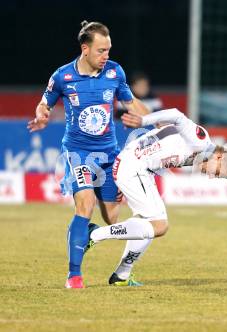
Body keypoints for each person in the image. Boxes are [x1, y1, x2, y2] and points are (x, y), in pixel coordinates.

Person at [27, 21, 149, 289]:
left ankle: (93, 234)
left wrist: (161, 121)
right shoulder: (62, 76)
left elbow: (131, 104)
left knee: (112, 218)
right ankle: (74, 275)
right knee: (85, 204)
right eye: (101, 50)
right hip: (78, 153)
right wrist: (42, 113)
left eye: (108, 50)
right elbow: (44, 102)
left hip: (108, 154)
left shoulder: (115, 72)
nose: (106, 56)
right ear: (85, 49)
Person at [85, 108, 227, 286]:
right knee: (159, 225)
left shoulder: (197, 155)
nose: (212, 176)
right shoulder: (201, 141)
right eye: (217, 172)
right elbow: (176, 115)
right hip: (133, 167)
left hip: (139, 169)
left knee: (147, 225)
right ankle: (95, 234)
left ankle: (122, 275)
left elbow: (164, 144)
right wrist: (143, 121)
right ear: (219, 157)